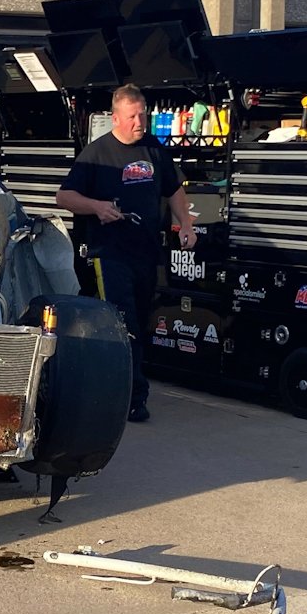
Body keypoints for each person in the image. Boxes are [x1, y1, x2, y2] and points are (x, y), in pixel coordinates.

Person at [56, 84, 195, 422]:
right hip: (110, 254)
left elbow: (173, 188)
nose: (139, 121)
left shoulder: (153, 148)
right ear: (116, 117)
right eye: (133, 116)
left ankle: (124, 388)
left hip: (146, 253)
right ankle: (132, 398)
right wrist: (97, 207)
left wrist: (186, 223)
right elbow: (64, 197)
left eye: (143, 114)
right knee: (123, 323)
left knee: (142, 322)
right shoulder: (96, 153)